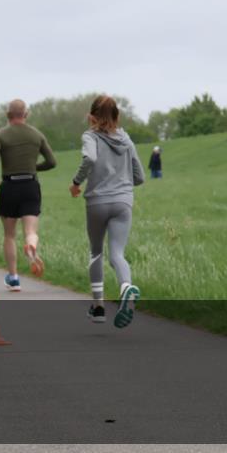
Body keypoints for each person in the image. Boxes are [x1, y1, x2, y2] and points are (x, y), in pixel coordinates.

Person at [70, 95, 145, 328]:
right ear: (117, 116)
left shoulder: (90, 136)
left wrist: (76, 182)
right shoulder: (126, 140)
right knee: (117, 254)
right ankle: (126, 288)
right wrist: (122, 185)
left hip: (97, 202)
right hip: (123, 203)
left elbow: (90, 157)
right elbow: (140, 176)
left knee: (96, 253)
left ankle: (99, 307)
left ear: (91, 117)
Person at [0, 99, 57, 291]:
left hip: (10, 187)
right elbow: (52, 161)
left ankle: (14, 277)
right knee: (31, 231)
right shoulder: (36, 135)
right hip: (30, 186)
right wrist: (33, 167)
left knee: (9, 235)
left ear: (7, 114)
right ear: (26, 114)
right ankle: (31, 246)